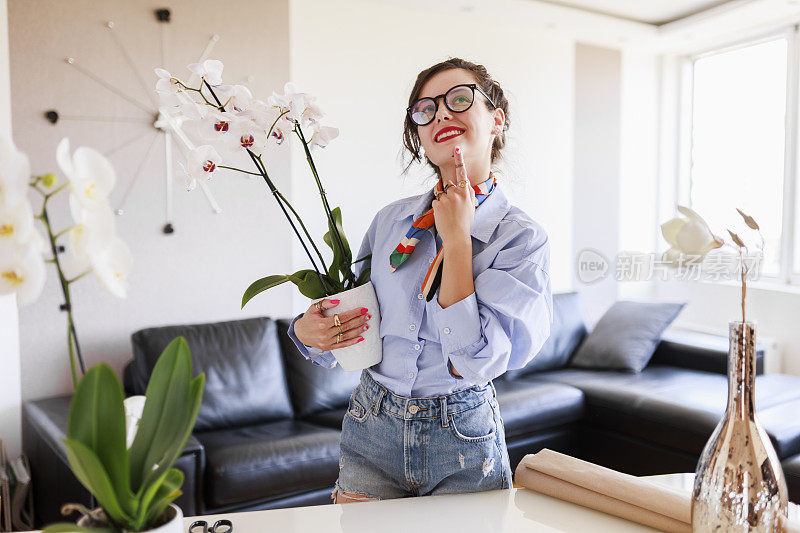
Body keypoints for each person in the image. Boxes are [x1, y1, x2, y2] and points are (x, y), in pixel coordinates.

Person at [287, 57, 553, 504]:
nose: (442, 114)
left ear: (496, 120)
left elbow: (472, 361)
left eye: (459, 99)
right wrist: (309, 332)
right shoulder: (392, 221)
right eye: (425, 110)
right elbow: (358, 322)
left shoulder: (521, 239)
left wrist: (457, 240)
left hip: (463, 437)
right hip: (372, 425)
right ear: (419, 137)